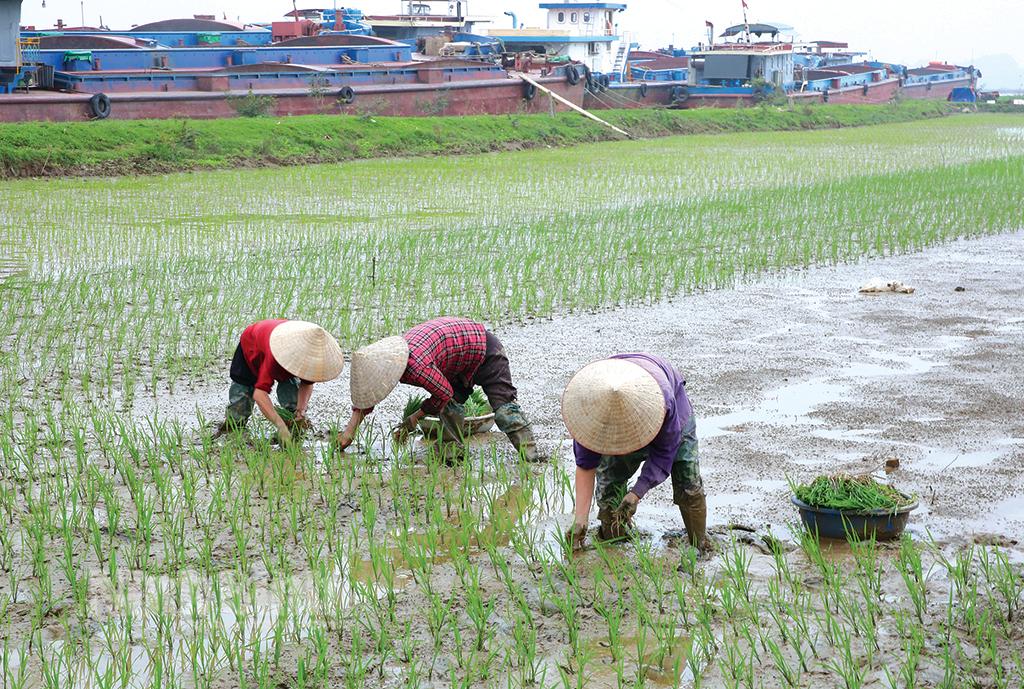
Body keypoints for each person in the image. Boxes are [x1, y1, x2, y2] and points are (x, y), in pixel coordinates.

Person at [336, 317, 541, 461]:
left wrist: (415, 417)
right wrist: (349, 433)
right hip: (458, 359)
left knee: (504, 410)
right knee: (451, 406)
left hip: (485, 350)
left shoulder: (416, 367)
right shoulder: (394, 356)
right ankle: (453, 454)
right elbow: (368, 398)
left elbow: (444, 393)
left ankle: (533, 458)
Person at [562, 353, 710, 552]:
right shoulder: (588, 412)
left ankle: (699, 545)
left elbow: (664, 454)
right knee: (609, 487)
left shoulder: (663, 400)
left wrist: (636, 493)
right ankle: (614, 547)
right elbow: (586, 465)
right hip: (611, 407)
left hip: (665, 407)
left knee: (688, 483)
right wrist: (580, 520)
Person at [216, 319, 344, 444]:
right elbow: (260, 394)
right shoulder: (274, 357)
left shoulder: (309, 355)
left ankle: (293, 426)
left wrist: (301, 409)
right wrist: (279, 425)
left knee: (292, 393)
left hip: (276, 344)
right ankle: (233, 430)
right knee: (242, 398)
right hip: (252, 345)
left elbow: (307, 383)